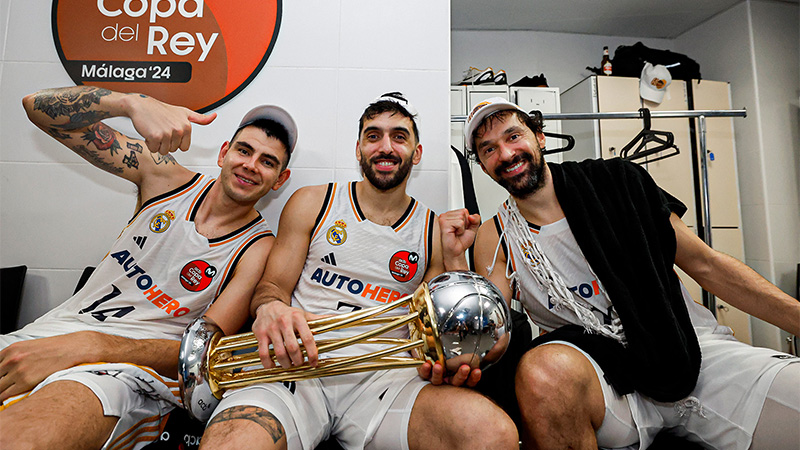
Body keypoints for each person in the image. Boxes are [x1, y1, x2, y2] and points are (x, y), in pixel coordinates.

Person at [447, 97, 800, 449]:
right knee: (542, 369)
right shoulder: (495, 236)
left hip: (687, 347)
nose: (506, 154)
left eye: (513, 136)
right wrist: (453, 259)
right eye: (488, 149)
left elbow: (708, 266)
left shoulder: (618, 183)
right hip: (605, 378)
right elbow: (493, 332)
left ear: (539, 136)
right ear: (482, 165)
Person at [198, 92, 518, 450]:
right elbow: (271, 286)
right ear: (358, 148)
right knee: (233, 443)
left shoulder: (433, 229)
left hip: (385, 381)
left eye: (399, 137)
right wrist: (271, 308)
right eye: (373, 136)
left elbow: (442, 329)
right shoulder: (313, 201)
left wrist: (457, 262)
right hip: (297, 368)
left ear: (417, 152)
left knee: (493, 434)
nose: (385, 147)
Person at [0, 86, 296, 449]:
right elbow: (35, 107)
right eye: (244, 150)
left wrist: (88, 345)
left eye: (268, 161)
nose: (251, 165)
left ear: (280, 179)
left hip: (122, 373)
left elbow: (201, 353)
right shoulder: (164, 179)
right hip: (46, 337)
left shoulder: (258, 248)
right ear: (224, 153)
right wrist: (128, 103)